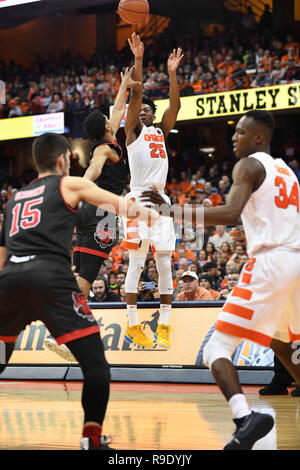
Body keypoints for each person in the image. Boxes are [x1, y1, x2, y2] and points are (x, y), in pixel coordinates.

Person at [141, 109, 300, 450]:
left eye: (240, 132)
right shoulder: (287, 171)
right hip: (296, 263)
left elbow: (229, 214)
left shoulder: (249, 165)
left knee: (216, 348)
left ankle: (245, 418)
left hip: (270, 262)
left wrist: (170, 210)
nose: (233, 137)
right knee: (282, 341)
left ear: (258, 137)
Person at [0, 132, 157, 450]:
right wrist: (154, 214)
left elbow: (2, 256)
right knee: (96, 367)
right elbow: (123, 207)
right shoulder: (68, 184)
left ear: (36, 161)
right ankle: (91, 440)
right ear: (63, 160)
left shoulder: (14, 197)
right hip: (51, 281)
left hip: (11, 281)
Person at [44, 67, 139, 359]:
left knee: (81, 275)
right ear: (108, 128)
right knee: (86, 279)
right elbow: (93, 170)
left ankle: (63, 329)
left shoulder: (105, 137)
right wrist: (79, 187)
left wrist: (125, 82)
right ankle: (62, 333)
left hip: (87, 214)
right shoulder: (104, 151)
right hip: (102, 213)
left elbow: (120, 106)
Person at [121, 33, 184, 349]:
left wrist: (172, 74)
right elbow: (136, 95)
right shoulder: (132, 132)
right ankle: (132, 324)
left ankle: (165, 325)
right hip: (137, 198)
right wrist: (140, 59)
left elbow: (176, 104)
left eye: (147, 111)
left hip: (161, 201)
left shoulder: (160, 131)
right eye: (140, 110)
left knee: (163, 263)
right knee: (136, 262)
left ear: (153, 115)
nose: (143, 112)